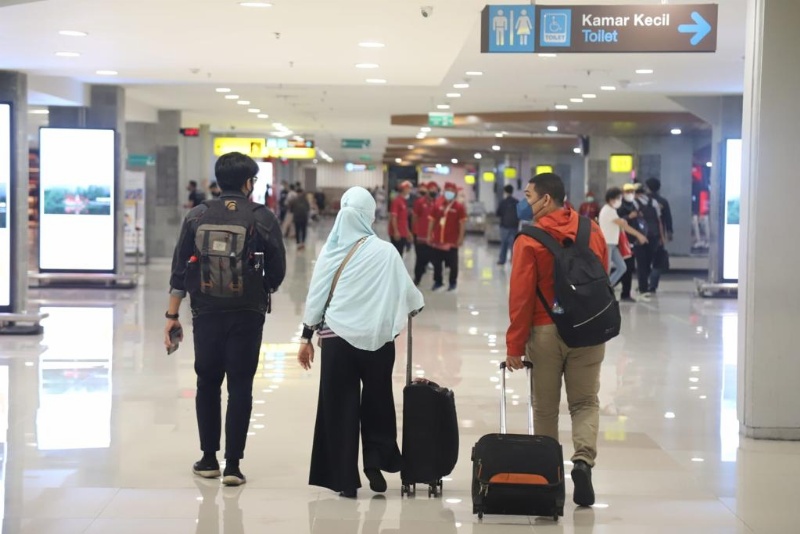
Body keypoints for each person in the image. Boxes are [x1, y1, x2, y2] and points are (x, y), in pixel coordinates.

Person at [164, 152, 286, 487]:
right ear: (248, 182)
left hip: (206, 311)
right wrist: (261, 289)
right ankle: (233, 466)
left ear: (219, 181)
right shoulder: (262, 217)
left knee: (207, 383)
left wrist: (172, 315)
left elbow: (179, 271)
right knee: (241, 385)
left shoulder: (197, 215)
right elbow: (278, 270)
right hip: (247, 312)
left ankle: (207, 459)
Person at [297, 186, 424, 499]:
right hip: (378, 342)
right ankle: (375, 460)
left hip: (336, 341)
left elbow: (316, 297)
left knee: (338, 406)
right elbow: (412, 300)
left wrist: (306, 338)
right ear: (370, 215)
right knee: (378, 400)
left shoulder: (331, 251)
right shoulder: (386, 252)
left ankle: (343, 479)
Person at [505, 172, 608, 507]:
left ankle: (549, 476)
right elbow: (602, 277)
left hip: (545, 330)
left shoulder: (529, 238)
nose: (525, 201)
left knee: (545, 408)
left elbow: (521, 297)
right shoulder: (591, 229)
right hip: (588, 329)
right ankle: (582, 461)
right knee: (585, 402)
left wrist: (514, 347)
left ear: (545, 199)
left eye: (528, 194)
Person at [598, 187, 648, 289]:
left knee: (622, 267)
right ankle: (603, 292)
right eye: (617, 198)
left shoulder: (612, 210)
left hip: (612, 244)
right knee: (606, 271)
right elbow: (624, 226)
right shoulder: (608, 210)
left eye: (620, 198)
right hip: (607, 243)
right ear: (610, 199)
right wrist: (639, 235)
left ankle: (606, 288)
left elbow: (620, 223)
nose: (619, 201)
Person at [427, 182, 467, 292]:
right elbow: (432, 221)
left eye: (451, 190)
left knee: (453, 264)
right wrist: (429, 234)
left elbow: (462, 224)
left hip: (452, 240)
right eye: (447, 189)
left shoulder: (459, 207)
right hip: (438, 239)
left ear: (455, 192)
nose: (449, 192)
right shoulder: (438, 205)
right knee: (437, 264)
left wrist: (461, 238)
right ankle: (438, 282)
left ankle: (452, 283)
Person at [632, 185, 664, 296]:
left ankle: (643, 287)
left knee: (641, 262)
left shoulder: (634, 203)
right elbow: (659, 221)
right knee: (648, 261)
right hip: (653, 236)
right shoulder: (654, 202)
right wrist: (662, 237)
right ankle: (645, 285)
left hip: (639, 237)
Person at [616, 183, 640, 302]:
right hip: (622, 241)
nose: (630, 194)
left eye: (632, 192)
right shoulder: (619, 207)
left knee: (628, 268)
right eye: (628, 192)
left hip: (632, 241)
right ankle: (615, 288)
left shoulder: (635, 205)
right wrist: (628, 217)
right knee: (624, 267)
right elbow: (619, 222)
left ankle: (626, 292)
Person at [496, 184, 520, 265]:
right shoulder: (517, 202)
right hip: (514, 226)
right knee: (513, 244)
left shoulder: (503, 202)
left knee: (504, 244)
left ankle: (502, 260)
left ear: (505, 192)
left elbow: (498, 213)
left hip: (504, 226)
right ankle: (513, 260)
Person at [389, 181, 412, 255]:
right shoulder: (397, 201)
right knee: (397, 254)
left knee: (400, 253)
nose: (409, 190)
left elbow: (405, 220)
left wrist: (408, 232)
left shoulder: (404, 201)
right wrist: (395, 231)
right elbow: (394, 217)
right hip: (397, 233)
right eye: (408, 188)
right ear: (404, 189)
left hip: (403, 232)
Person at [289, 186, 311, 250]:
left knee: (297, 230)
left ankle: (298, 243)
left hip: (297, 218)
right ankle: (303, 243)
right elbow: (308, 208)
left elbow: (291, 210)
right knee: (303, 230)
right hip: (304, 217)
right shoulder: (305, 200)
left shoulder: (294, 200)